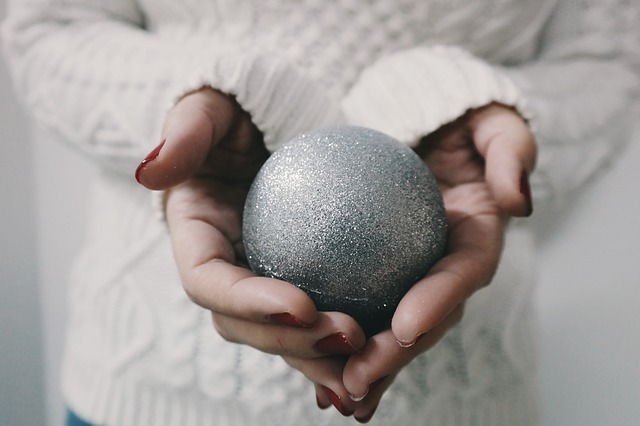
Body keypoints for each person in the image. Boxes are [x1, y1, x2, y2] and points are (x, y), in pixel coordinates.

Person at [2, 1, 638, 425]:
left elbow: (609, 60)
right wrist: (198, 99)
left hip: (469, 395)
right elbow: (46, 27)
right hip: (145, 391)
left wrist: (462, 104)